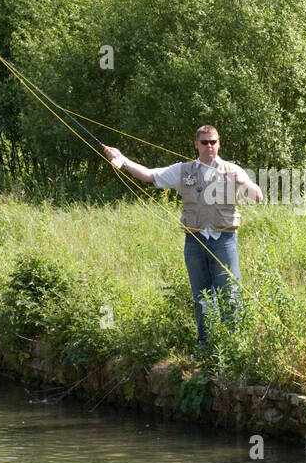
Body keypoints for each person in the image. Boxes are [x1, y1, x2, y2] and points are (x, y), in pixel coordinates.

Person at [103, 126, 263, 347]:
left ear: (219, 143)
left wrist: (253, 190)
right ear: (196, 144)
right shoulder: (183, 170)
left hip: (224, 241)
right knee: (202, 297)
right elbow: (149, 175)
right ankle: (205, 344)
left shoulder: (233, 170)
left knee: (230, 295)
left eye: (213, 142)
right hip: (194, 242)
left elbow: (251, 190)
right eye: (205, 142)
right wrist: (121, 159)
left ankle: (234, 346)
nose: (210, 146)